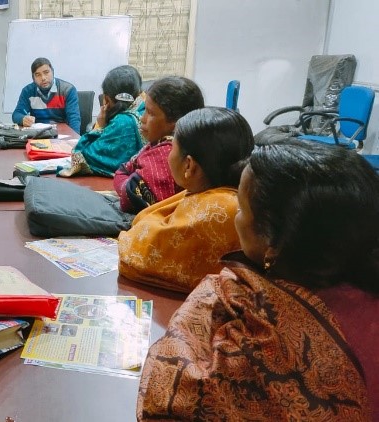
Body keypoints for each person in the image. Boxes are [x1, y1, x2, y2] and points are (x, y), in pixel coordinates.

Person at [138, 139, 378, 420]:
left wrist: (207, 296)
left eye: (240, 208)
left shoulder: (262, 334)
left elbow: (170, 393)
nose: (235, 217)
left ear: (274, 242)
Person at [118, 107, 254, 292]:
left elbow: (138, 253)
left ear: (189, 165)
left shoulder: (221, 208)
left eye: (172, 147)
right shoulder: (214, 190)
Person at [113, 76, 205, 213]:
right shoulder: (161, 145)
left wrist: (124, 178)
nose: (142, 119)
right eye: (144, 110)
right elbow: (124, 170)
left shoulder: (166, 153)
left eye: (150, 113)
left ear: (176, 123)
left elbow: (131, 196)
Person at [59, 65, 145, 177]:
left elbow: (82, 156)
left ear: (107, 99)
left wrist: (100, 125)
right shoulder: (143, 108)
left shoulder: (123, 122)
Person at [11, 57, 80, 134]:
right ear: (33, 78)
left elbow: (74, 119)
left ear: (53, 72)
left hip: (61, 134)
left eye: (46, 72)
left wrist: (75, 141)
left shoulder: (68, 90)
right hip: (38, 134)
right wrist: (22, 119)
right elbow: (17, 114)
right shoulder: (28, 91)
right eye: (38, 75)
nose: (43, 78)